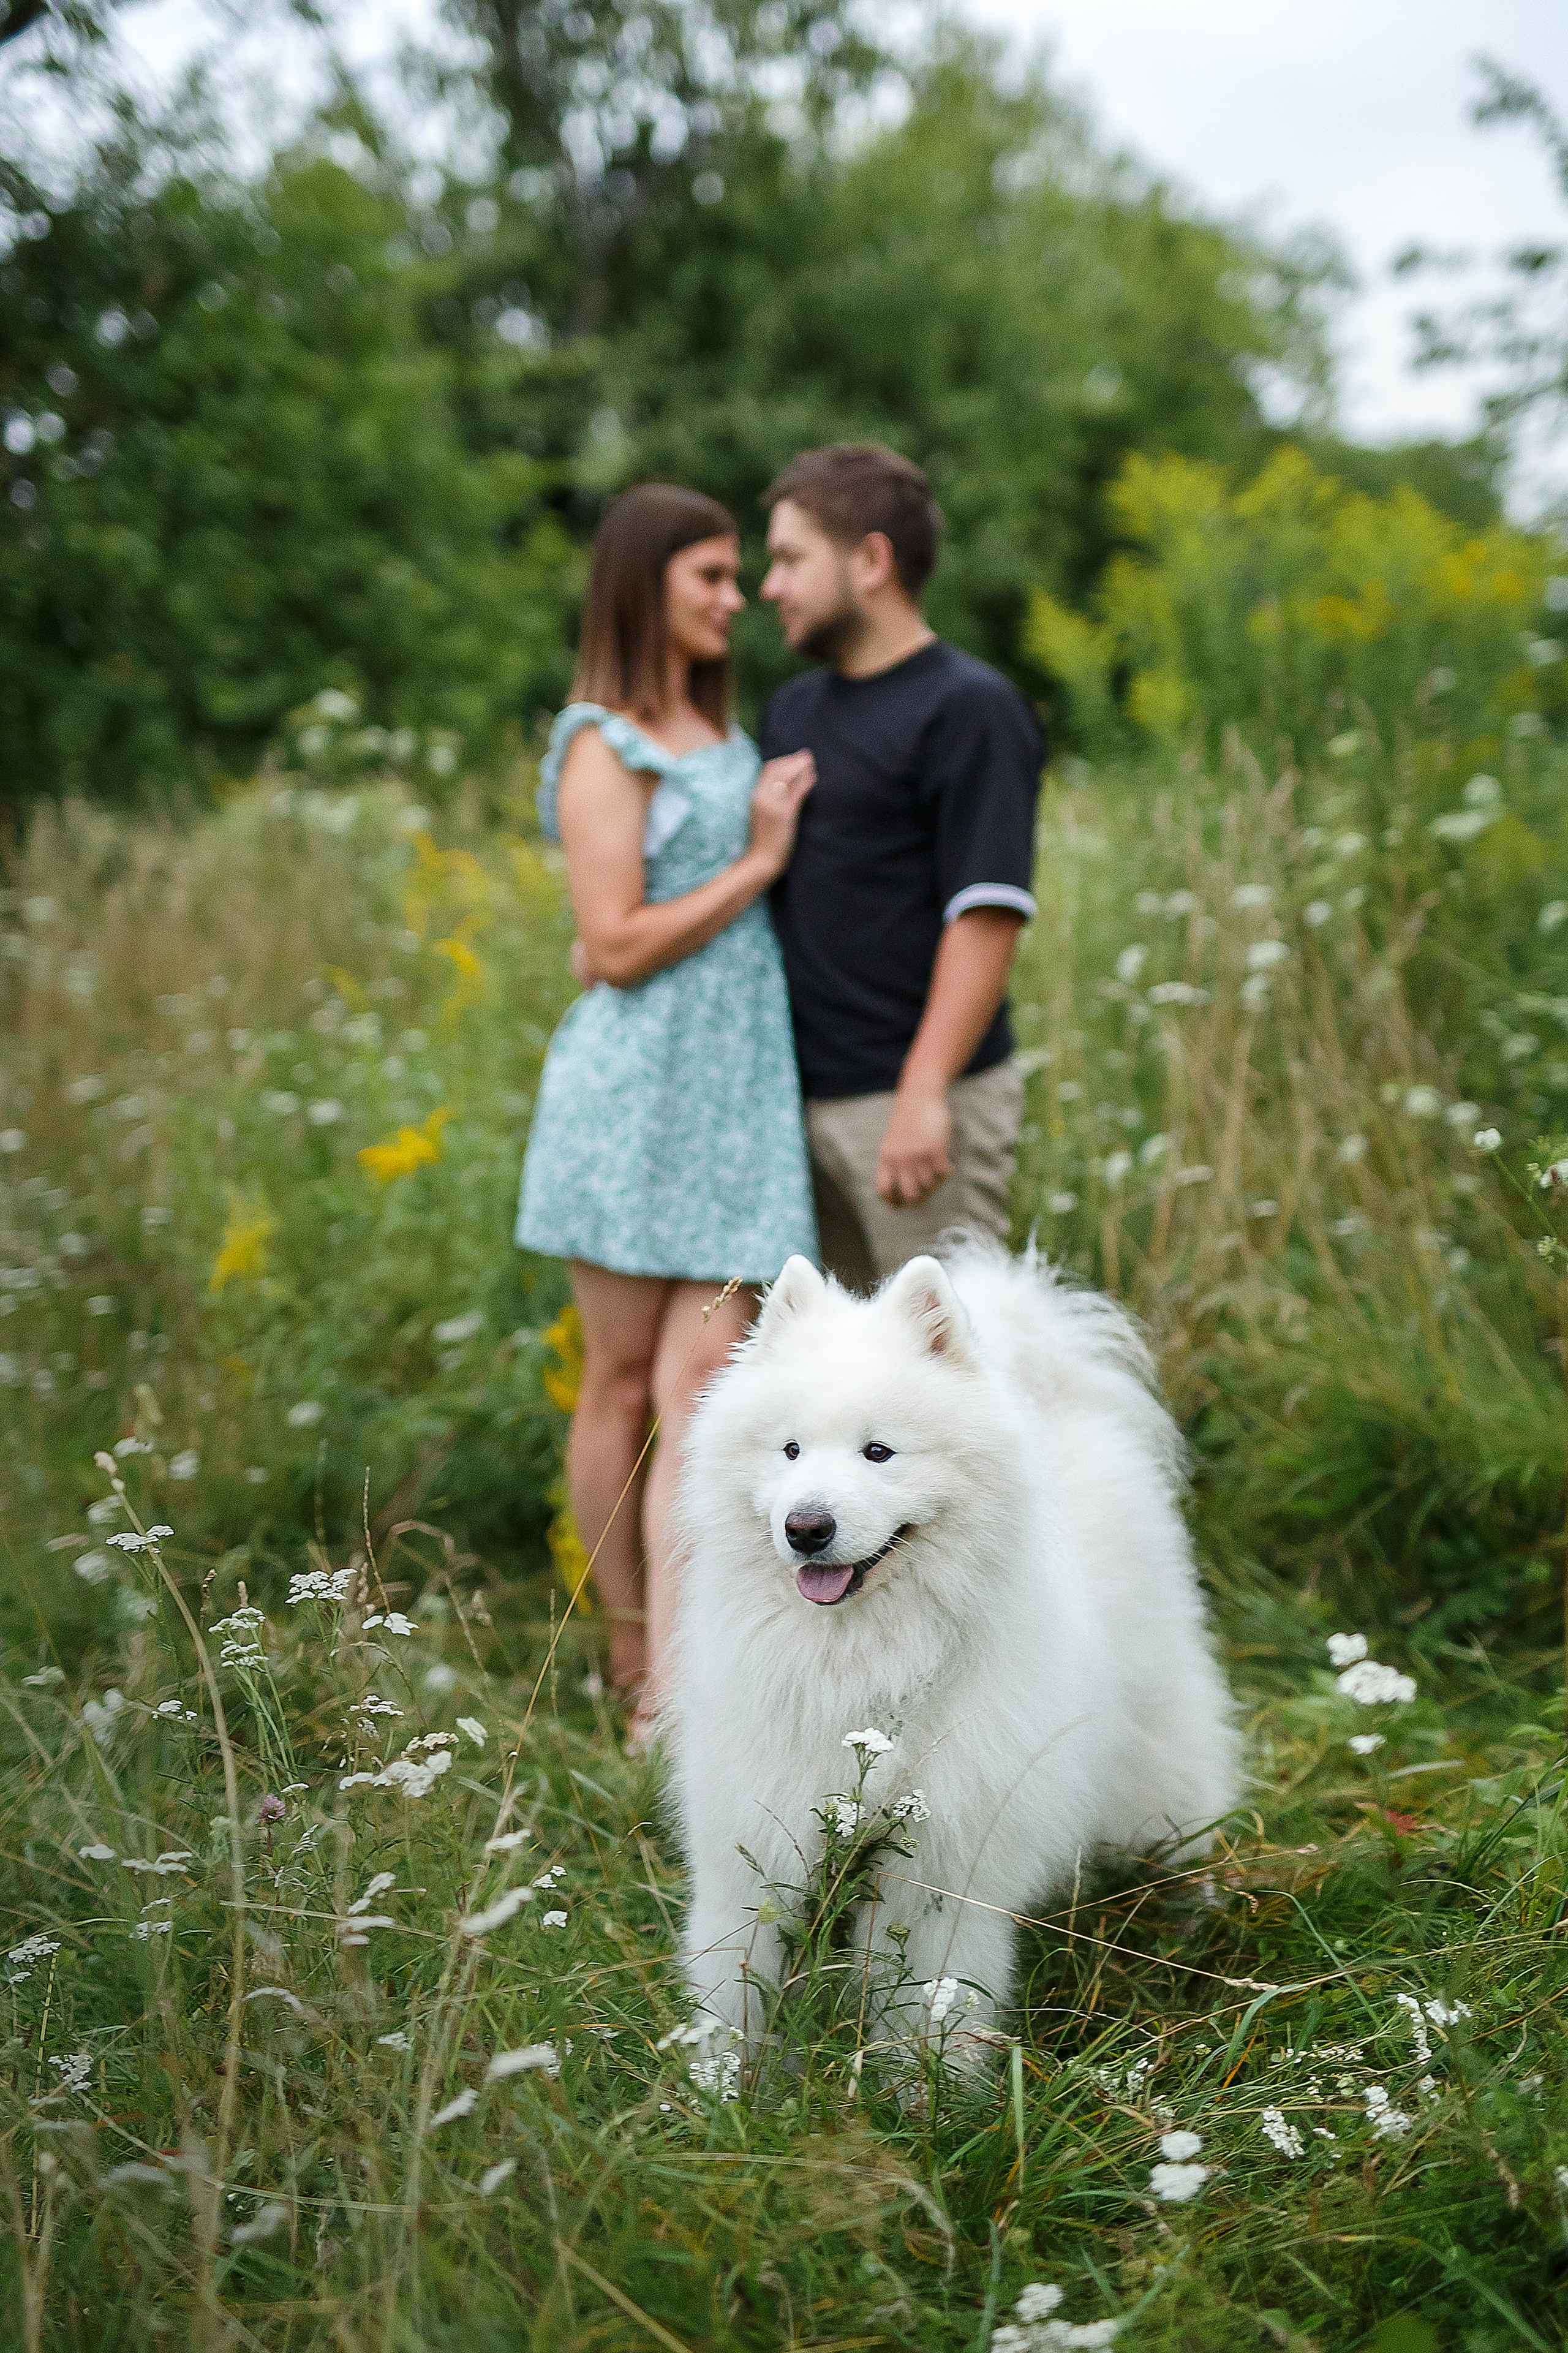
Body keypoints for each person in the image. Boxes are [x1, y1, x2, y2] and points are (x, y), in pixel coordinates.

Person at [516, 483, 818, 1747]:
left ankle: (689, 1681)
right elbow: (614, 943)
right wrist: (753, 865)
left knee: (704, 1391)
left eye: (739, 574)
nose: (732, 596)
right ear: (644, 586)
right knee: (622, 1379)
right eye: (706, 575)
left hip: (736, 1088)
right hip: (634, 1095)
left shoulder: (723, 727)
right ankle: (632, 1653)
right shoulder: (604, 741)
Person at [759, 444, 1044, 1288]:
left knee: (943, 1384)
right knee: (838, 1390)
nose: (770, 586)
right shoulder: (792, 710)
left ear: (872, 560)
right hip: (800, 1106)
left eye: (790, 558)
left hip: (916, 1109)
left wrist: (924, 1095)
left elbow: (987, 914)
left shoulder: (968, 707)